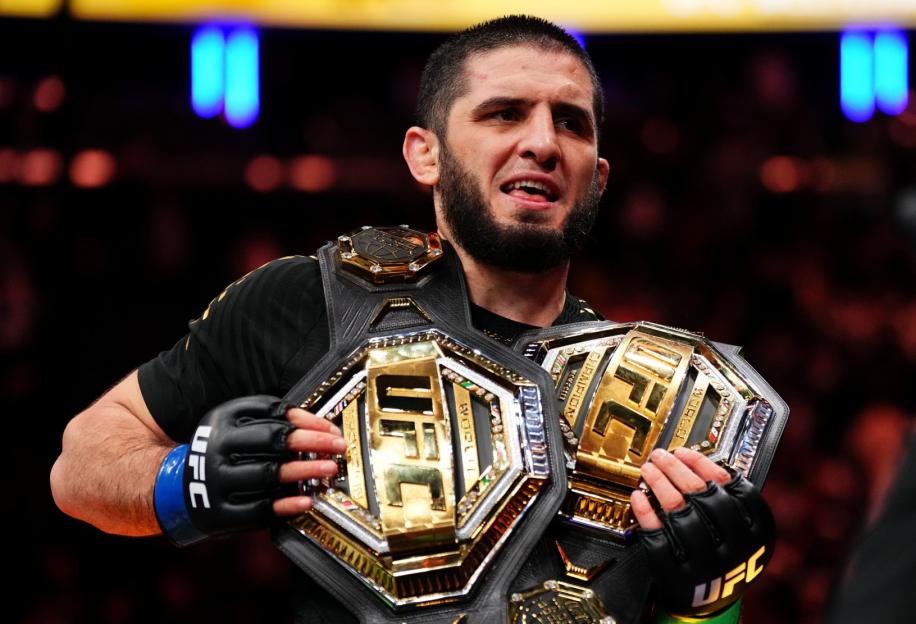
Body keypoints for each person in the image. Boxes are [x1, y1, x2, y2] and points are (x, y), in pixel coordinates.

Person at [51, 15, 772, 623]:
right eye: (504, 113)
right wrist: (188, 482)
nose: (544, 142)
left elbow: (691, 615)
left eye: (571, 125)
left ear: (598, 177)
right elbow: (81, 465)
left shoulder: (664, 401)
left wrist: (709, 594)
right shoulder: (307, 301)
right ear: (424, 154)